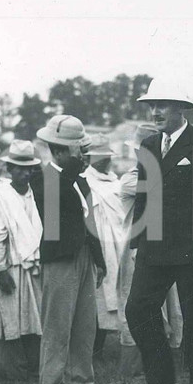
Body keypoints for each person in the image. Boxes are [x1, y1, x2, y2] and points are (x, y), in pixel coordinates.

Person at [125, 80, 193, 384]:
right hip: (154, 246)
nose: (156, 112)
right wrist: (136, 242)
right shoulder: (148, 146)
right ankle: (160, 380)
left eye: (164, 105)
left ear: (181, 108)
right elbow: (143, 197)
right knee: (138, 309)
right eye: (151, 106)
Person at [32, 115, 107, 384]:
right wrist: (74, 169)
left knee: (85, 322)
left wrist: (99, 260)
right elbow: (54, 204)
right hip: (60, 256)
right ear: (59, 149)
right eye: (77, 149)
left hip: (84, 254)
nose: (82, 154)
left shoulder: (80, 180)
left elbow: (90, 220)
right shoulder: (41, 178)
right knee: (57, 323)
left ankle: (82, 379)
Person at [115, 124, 184, 378]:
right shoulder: (130, 179)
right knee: (135, 303)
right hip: (136, 246)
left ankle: (162, 363)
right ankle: (134, 366)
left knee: (168, 304)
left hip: (163, 246)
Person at [0, 140, 44, 379]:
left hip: (34, 264)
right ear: (9, 169)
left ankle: (33, 365)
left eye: (29, 167)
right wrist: (1, 270)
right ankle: (13, 369)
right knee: (10, 317)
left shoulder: (35, 195)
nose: (25, 172)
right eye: (19, 167)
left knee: (33, 316)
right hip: (11, 265)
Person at [82, 135, 124, 351]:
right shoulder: (85, 181)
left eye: (106, 156)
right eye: (99, 156)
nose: (104, 160)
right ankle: (92, 346)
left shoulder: (116, 181)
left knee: (116, 292)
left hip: (118, 243)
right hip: (97, 243)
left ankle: (106, 341)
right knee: (96, 296)